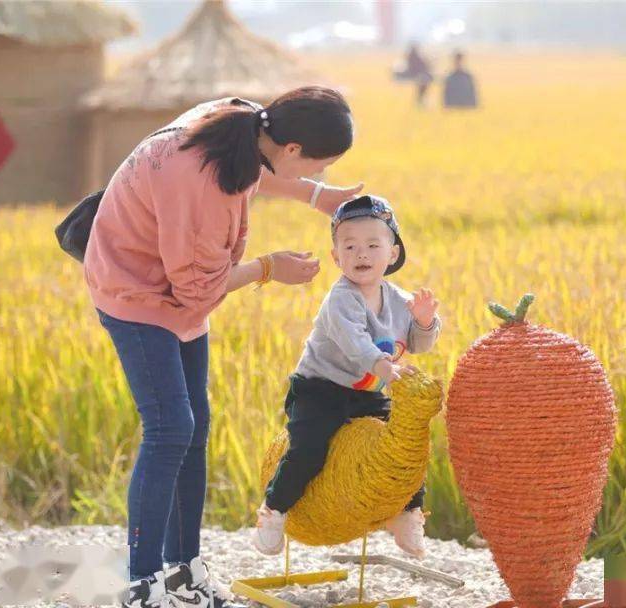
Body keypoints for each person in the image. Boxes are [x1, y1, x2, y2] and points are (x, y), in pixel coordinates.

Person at [83, 86, 364, 608]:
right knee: (171, 429)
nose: (319, 173)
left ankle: (184, 573)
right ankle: (143, 587)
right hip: (135, 291)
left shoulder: (245, 123)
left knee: (195, 427)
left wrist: (314, 196)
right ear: (294, 148)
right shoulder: (199, 178)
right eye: (320, 167)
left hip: (177, 290)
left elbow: (255, 170)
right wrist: (268, 268)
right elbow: (198, 286)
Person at [251, 194, 442, 559]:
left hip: (367, 393)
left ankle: (408, 513)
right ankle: (274, 511)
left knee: (407, 443)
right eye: (350, 246)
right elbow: (356, 344)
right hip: (319, 389)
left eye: (373, 245)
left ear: (393, 253)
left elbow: (418, 344)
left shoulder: (399, 299)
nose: (361, 254)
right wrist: (387, 368)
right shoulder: (340, 300)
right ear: (336, 256)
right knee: (309, 448)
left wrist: (423, 320)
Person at [394, 42, 433, 107]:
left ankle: (420, 101)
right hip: (417, 75)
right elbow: (425, 67)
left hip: (416, 75)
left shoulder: (411, 56)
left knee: (423, 85)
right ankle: (420, 101)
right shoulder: (416, 57)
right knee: (423, 85)